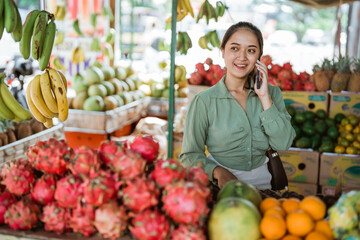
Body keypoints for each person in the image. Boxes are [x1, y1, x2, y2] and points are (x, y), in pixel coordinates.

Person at [179, 22, 295, 190]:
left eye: (251, 50)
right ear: (223, 51)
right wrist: (217, 171)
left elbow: (283, 143)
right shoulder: (204, 101)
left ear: (258, 57)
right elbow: (189, 156)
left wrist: (264, 97)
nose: (242, 57)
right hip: (220, 186)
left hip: (264, 186)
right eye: (234, 48)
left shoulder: (272, 94)